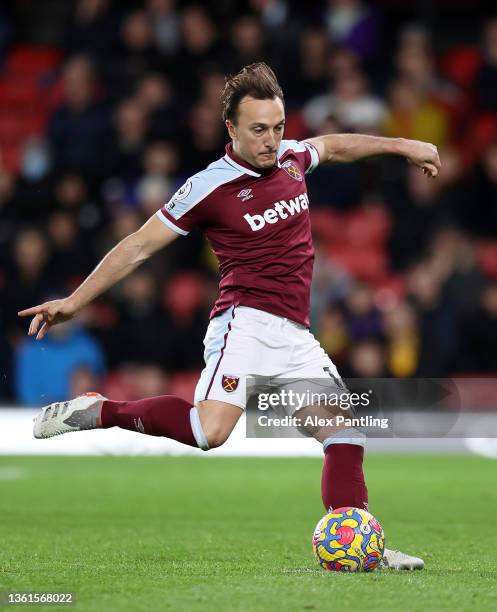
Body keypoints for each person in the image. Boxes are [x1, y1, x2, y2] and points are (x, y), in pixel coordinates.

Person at [19, 62, 440, 570]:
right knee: (208, 433)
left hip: (295, 333)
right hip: (244, 323)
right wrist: (73, 303)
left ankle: (360, 543)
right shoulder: (207, 188)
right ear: (231, 129)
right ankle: (100, 410)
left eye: (278, 127)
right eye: (259, 129)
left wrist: (403, 145)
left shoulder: (290, 159)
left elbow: (331, 145)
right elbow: (136, 247)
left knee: (345, 433)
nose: (271, 140)